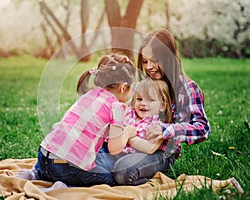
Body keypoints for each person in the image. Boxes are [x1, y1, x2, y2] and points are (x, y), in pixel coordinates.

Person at [16, 54, 137, 188]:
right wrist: (128, 132)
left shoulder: (88, 95)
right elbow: (114, 148)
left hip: (44, 156)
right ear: (123, 87)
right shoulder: (117, 107)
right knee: (110, 179)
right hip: (67, 168)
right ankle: (64, 187)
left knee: (58, 160)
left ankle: (34, 174)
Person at [112, 29, 211, 185]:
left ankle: (148, 184)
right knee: (95, 163)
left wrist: (167, 130)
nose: (149, 67)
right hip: (130, 144)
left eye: (154, 60)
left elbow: (202, 129)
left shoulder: (187, 89)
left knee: (123, 171)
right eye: (145, 61)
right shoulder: (143, 85)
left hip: (160, 153)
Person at [121, 77, 173, 155]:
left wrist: (127, 136)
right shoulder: (128, 113)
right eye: (139, 99)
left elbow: (150, 148)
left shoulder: (157, 125)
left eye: (151, 100)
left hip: (134, 156)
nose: (143, 103)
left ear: (162, 106)